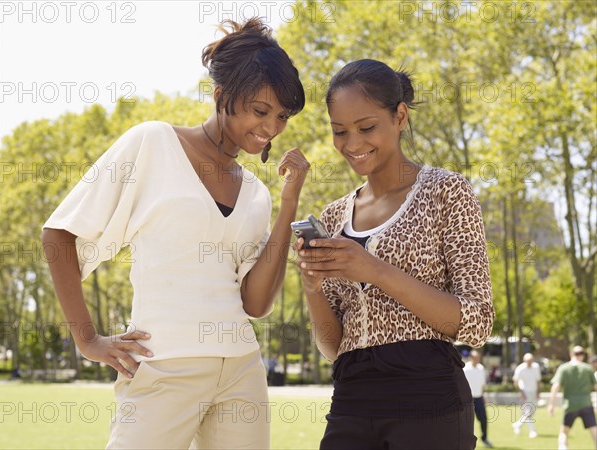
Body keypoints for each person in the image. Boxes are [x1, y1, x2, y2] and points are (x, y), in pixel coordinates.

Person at [41, 18, 308, 450]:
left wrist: (289, 202)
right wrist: (87, 339)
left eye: (281, 116)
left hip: (241, 369)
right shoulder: (152, 143)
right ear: (222, 96)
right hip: (162, 365)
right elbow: (58, 234)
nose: (272, 128)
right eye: (261, 111)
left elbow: (255, 304)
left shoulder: (257, 194)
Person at [296, 59, 494, 450]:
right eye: (339, 131)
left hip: (429, 396)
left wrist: (374, 269)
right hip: (352, 398)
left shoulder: (447, 192)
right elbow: (334, 347)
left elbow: (477, 323)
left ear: (399, 116)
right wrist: (313, 288)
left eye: (366, 127)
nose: (352, 144)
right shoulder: (336, 214)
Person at [548, 345, 597, 450]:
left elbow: (555, 386)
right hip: (586, 404)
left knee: (564, 432)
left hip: (570, 405)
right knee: (594, 431)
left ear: (571, 354)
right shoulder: (588, 368)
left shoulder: (564, 368)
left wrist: (551, 404)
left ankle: (563, 448)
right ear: (583, 355)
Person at [463, 350, 493, 448]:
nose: (477, 360)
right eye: (475, 358)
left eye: (478, 358)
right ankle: (465, 441)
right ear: (471, 358)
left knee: (483, 419)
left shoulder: (481, 368)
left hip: (479, 398)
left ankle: (485, 438)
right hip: (468, 400)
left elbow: (482, 384)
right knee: (467, 422)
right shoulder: (465, 369)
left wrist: (483, 396)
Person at [512, 352, 542, 438]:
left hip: (534, 391)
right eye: (528, 361)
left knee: (531, 412)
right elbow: (516, 381)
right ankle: (532, 431)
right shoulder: (520, 368)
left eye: (531, 360)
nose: (529, 362)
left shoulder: (536, 367)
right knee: (528, 412)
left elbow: (538, 381)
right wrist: (521, 393)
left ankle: (517, 424)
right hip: (525, 392)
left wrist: (538, 393)